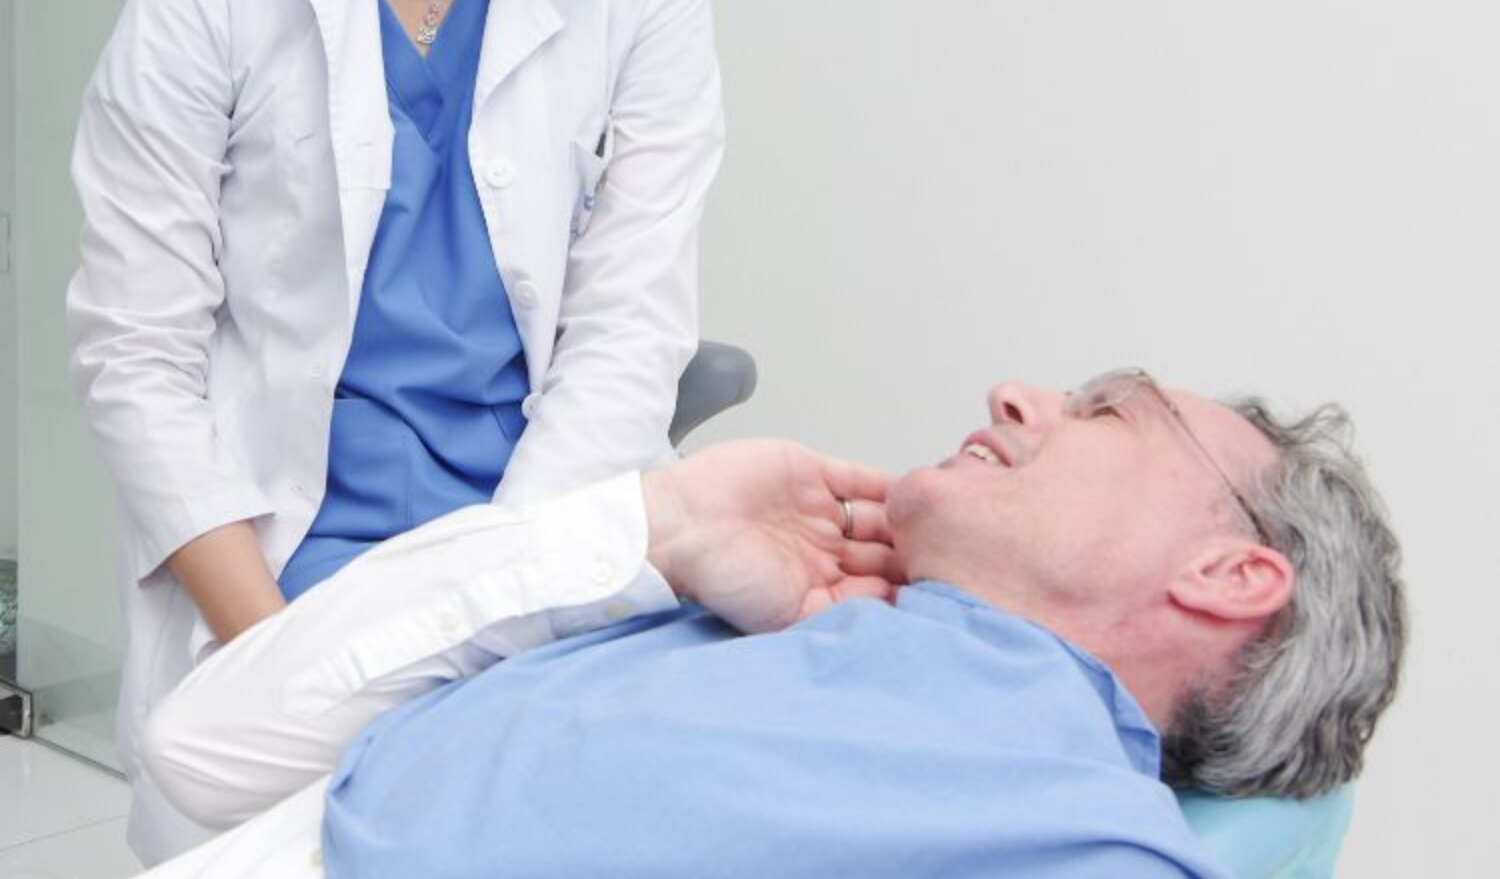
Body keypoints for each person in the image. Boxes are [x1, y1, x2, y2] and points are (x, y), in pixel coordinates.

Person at [64, 0, 721, 861]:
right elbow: (134, 354)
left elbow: (631, 332)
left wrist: (509, 611)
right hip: (269, 574)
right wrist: (277, 662)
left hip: (531, 561)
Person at [136, 370, 1406, 879]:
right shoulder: (748, 616)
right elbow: (205, 746)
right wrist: (651, 524)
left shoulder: (1076, 836)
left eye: (1106, 412)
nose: (1018, 391)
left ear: (1231, 573)